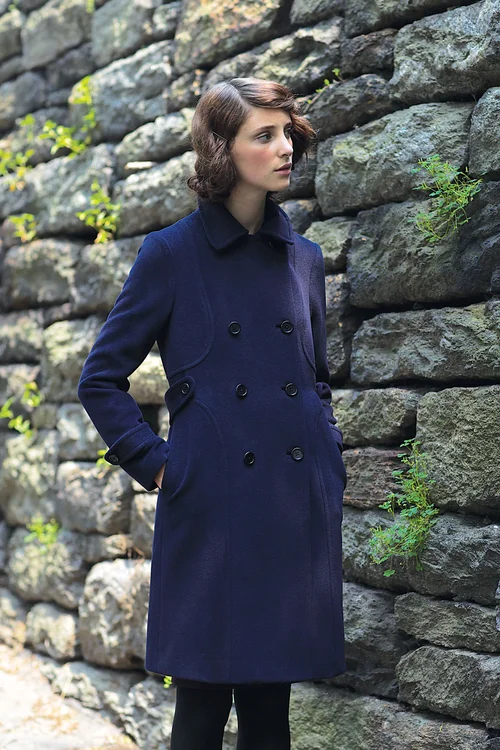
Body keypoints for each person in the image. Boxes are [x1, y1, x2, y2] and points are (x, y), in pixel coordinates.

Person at [77, 77, 347, 750]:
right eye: (265, 135)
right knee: (199, 710)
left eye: (288, 134)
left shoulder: (304, 259)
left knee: (270, 712)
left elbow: (314, 381)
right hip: (213, 506)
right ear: (223, 149)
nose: (285, 148)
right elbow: (100, 379)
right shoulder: (171, 254)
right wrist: (161, 467)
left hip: (291, 505)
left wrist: (326, 458)